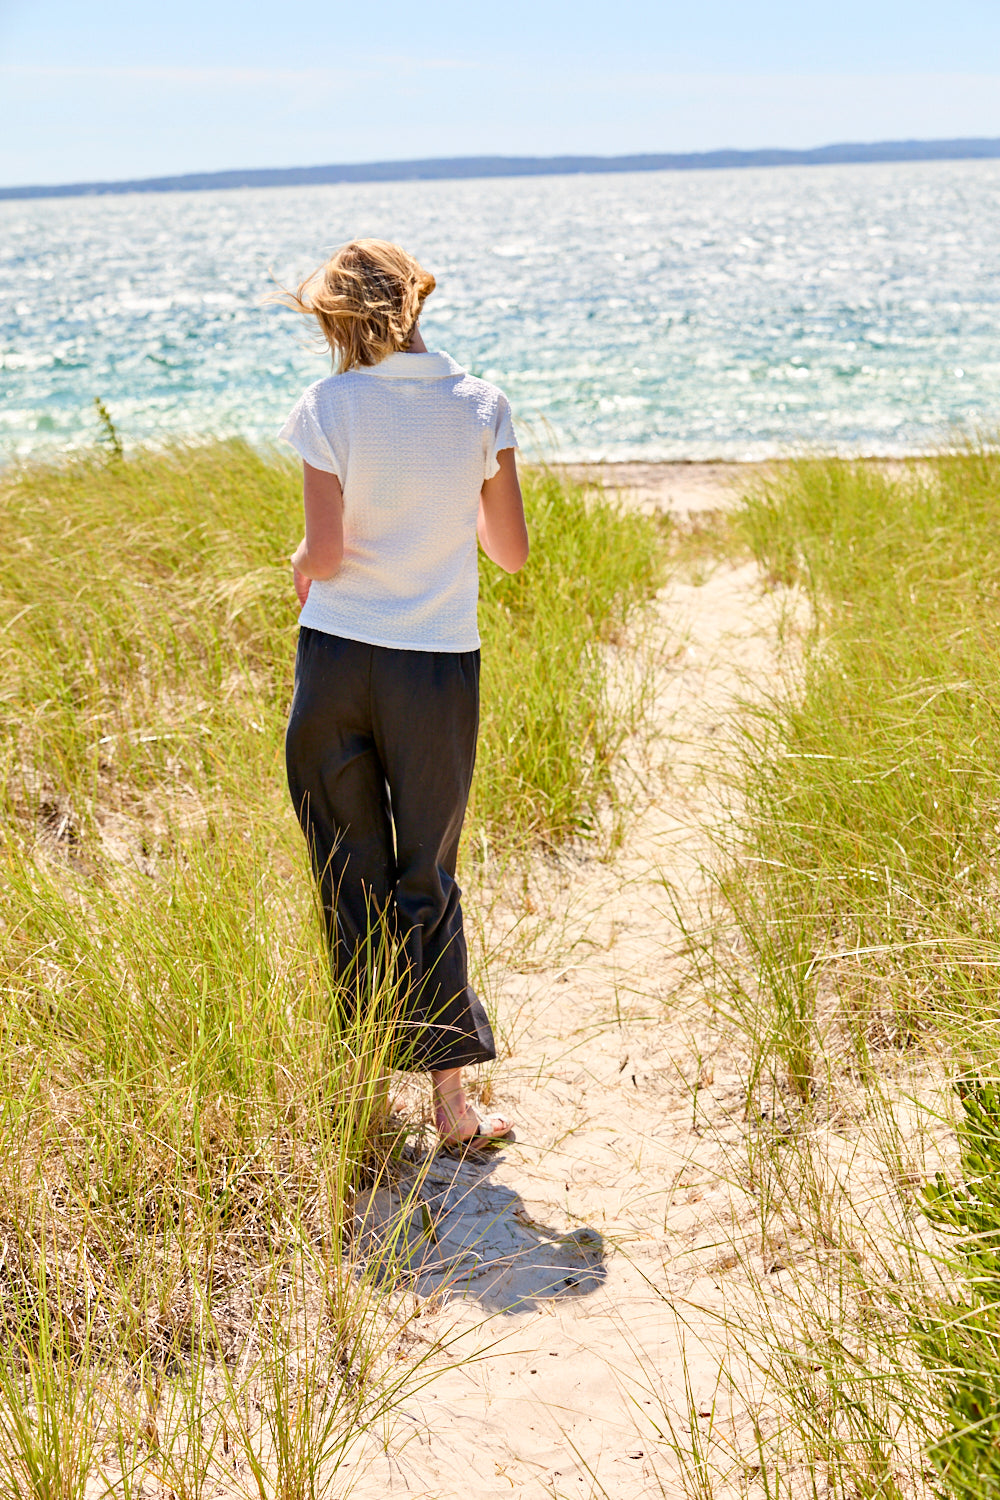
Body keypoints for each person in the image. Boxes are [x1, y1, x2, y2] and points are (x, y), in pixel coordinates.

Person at [277, 238, 528, 1150]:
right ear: (416, 301)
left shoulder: (327, 406)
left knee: (347, 869)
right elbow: (509, 552)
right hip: (434, 668)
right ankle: (453, 1107)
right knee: (428, 873)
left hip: (339, 659)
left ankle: (364, 1099)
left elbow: (328, 556)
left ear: (339, 318)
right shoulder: (481, 406)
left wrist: (302, 562)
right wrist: (442, 500)